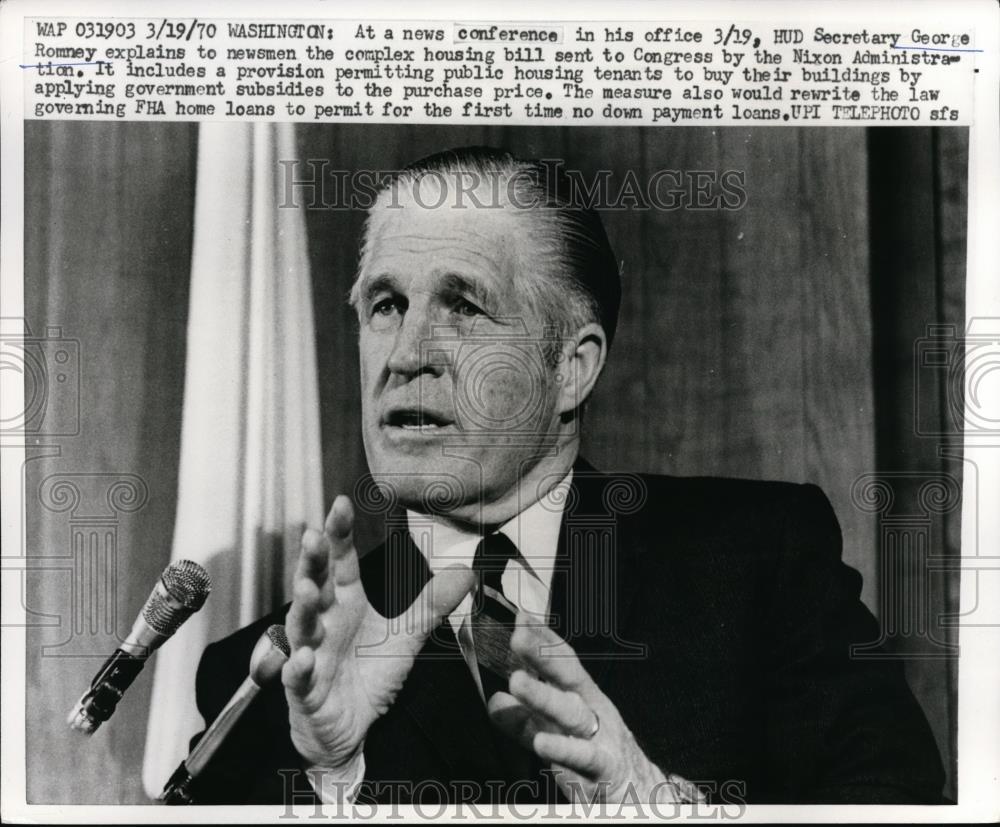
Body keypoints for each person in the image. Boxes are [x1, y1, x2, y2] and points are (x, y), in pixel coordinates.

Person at [189, 146, 945, 806]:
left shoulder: (759, 563)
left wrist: (654, 804)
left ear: (571, 368)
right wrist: (335, 776)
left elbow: (899, 804)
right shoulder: (270, 676)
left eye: (463, 306)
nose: (407, 353)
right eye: (386, 305)